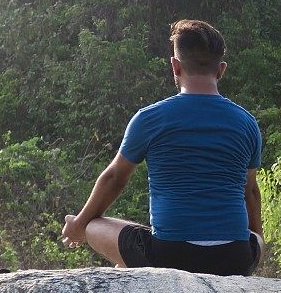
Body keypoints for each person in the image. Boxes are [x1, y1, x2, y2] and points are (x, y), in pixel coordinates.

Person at [61, 19, 264, 276]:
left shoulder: (150, 118)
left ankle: (122, 263)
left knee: (94, 226)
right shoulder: (246, 123)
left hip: (171, 256)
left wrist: (79, 224)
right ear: (221, 70)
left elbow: (115, 177)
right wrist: (255, 240)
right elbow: (251, 191)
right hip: (234, 258)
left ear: (175, 66)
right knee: (256, 239)